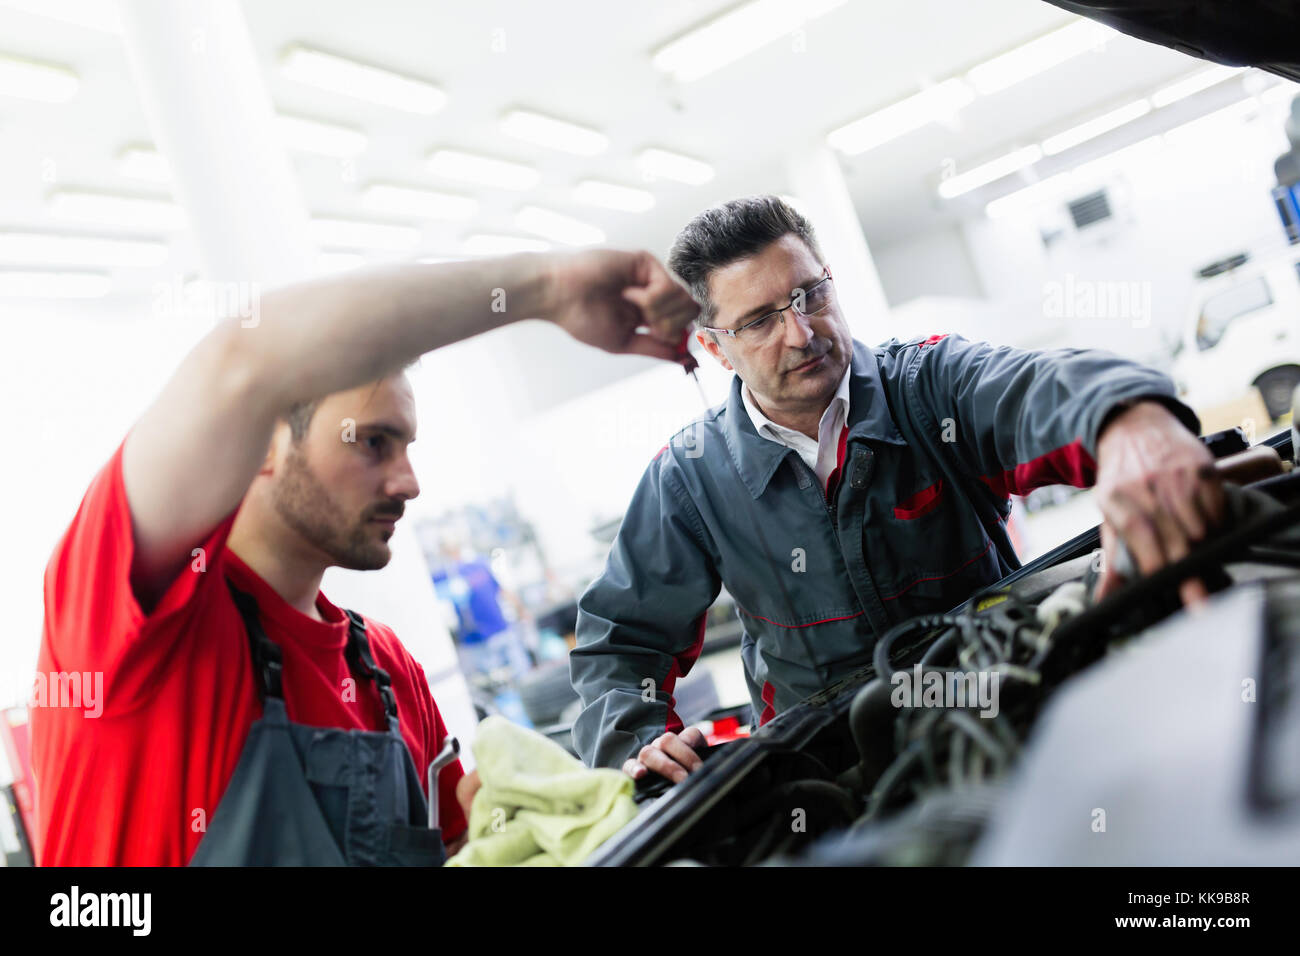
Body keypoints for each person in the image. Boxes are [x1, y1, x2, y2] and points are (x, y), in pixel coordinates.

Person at [31, 249, 699, 865]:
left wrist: (611, 804)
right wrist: (547, 289)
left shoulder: (385, 669)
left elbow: (475, 846)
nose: (408, 482)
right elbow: (245, 359)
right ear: (263, 445)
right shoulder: (139, 625)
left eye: (406, 447)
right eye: (373, 443)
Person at [570, 195, 1223, 782]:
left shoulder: (929, 386)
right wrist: (637, 738)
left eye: (809, 295)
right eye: (762, 320)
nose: (801, 332)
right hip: (832, 780)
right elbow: (620, 640)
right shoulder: (691, 478)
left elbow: (1045, 389)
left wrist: (1131, 423)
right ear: (714, 349)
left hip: (1009, 712)